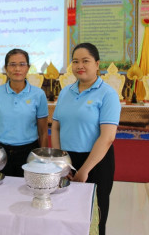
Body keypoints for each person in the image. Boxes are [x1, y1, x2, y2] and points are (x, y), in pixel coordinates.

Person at [51, 43, 121, 235]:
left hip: (96, 163)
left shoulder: (108, 95)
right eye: (75, 61)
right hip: (67, 161)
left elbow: (107, 137)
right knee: (64, 212)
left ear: (97, 64)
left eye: (85, 61)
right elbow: (56, 126)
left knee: (93, 215)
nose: (79, 65)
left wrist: (84, 170)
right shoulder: (66, 91)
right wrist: (60, 161)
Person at [0, 49, 48, 177]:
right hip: (0, 151)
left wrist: (43, 156)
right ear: (6, 68)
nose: (17, 69)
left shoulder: (38, 94)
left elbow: (43, 131)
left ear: (28, 68)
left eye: (22, 64)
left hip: (29, 151)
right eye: (12, 64)